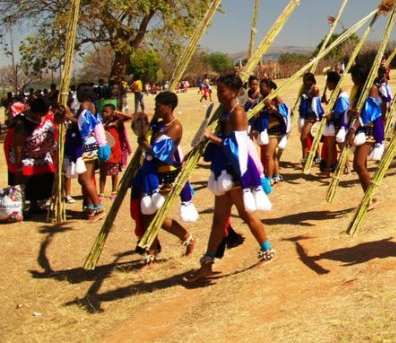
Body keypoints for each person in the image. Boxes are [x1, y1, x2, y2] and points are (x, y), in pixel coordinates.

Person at [185, 75, 274, 283]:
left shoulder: (238, 113)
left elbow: (238, 147)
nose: (218, 94)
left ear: (234, 92)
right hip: (223, 171)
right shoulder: (225, 113)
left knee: (247, 215)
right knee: (219, 220)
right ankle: (207, 264)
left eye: (222, 91)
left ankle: (268, 251)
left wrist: (211, 138)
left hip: (236, 172)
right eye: (217, 90)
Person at [130, 92, 198, 266]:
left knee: (155, 215)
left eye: (159, 106)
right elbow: (143, 132)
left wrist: (145, 145)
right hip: (150, 174)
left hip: (166, 174)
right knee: (147, 215)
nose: (156, 109)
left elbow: (161, 154)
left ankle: (187, 238)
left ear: (169, 107)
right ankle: (152, 253)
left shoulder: (175, 127)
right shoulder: (159, 125)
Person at [62, 83, 110, 220]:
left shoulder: (85, 105)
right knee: (84, 179)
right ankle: (90, 207)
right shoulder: (91, 104)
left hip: (87, 145)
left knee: (85, 179)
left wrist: (68, 117)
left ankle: (99, 208)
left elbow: (83, 126)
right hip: (88, 145)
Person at [10, 96, 57, 215]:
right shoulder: (21, 123)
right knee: (27, 178)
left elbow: (58, 121)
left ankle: (37, 204)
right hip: (24, 155)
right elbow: (18, 146)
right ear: (40, 112)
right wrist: (19, 167)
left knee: (47, 176)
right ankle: (30, 204)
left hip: (42, 154)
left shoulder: (47, 117)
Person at [345, 65, 385, 203]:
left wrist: (353, 129)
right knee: (361, 166)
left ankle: (371, 198)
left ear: (360, 76)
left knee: (358, 164)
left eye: (354, 77)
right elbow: (353, 109)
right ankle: (369, 198)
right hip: (359, 128)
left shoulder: (372, 88)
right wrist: (350, 113)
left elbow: (370, 112)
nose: (353, 80)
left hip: (369, 129)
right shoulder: (357, 90)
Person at [99, 104, 132, 199]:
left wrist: (118, 113)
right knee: (103, 173)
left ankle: (114, 190)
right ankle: (101, 192)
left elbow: (130, 117)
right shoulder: (101, 123)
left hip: (115, 151)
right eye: (103, 111)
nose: (104, 113)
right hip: (104, 151)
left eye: (107, 112)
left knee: (114, 173)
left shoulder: (116, 122)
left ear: (112, 112)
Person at [321, 71, 349, 178]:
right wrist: (327, 102)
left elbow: (341, 110)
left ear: (333, 83)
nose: (327, 85)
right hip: (332, 123)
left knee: (342, 146)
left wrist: (331, 115)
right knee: (330, 147)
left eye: (328, 82)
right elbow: (334, 106)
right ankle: (328, 169)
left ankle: (347, 166)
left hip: (340, 124)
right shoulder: (335, 93)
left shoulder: (342, 95)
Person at [296, 72, 324, 168]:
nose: (305, 82)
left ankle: (305, 159)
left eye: (307, 81)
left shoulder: (314, 89)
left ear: (312, 81)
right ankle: (317, 157)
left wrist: (309, 94)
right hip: (305, 115)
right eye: (304, 81)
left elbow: (315, 101)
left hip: (312, 116)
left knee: (303, 138)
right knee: (312, 137)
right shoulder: (304, 88)